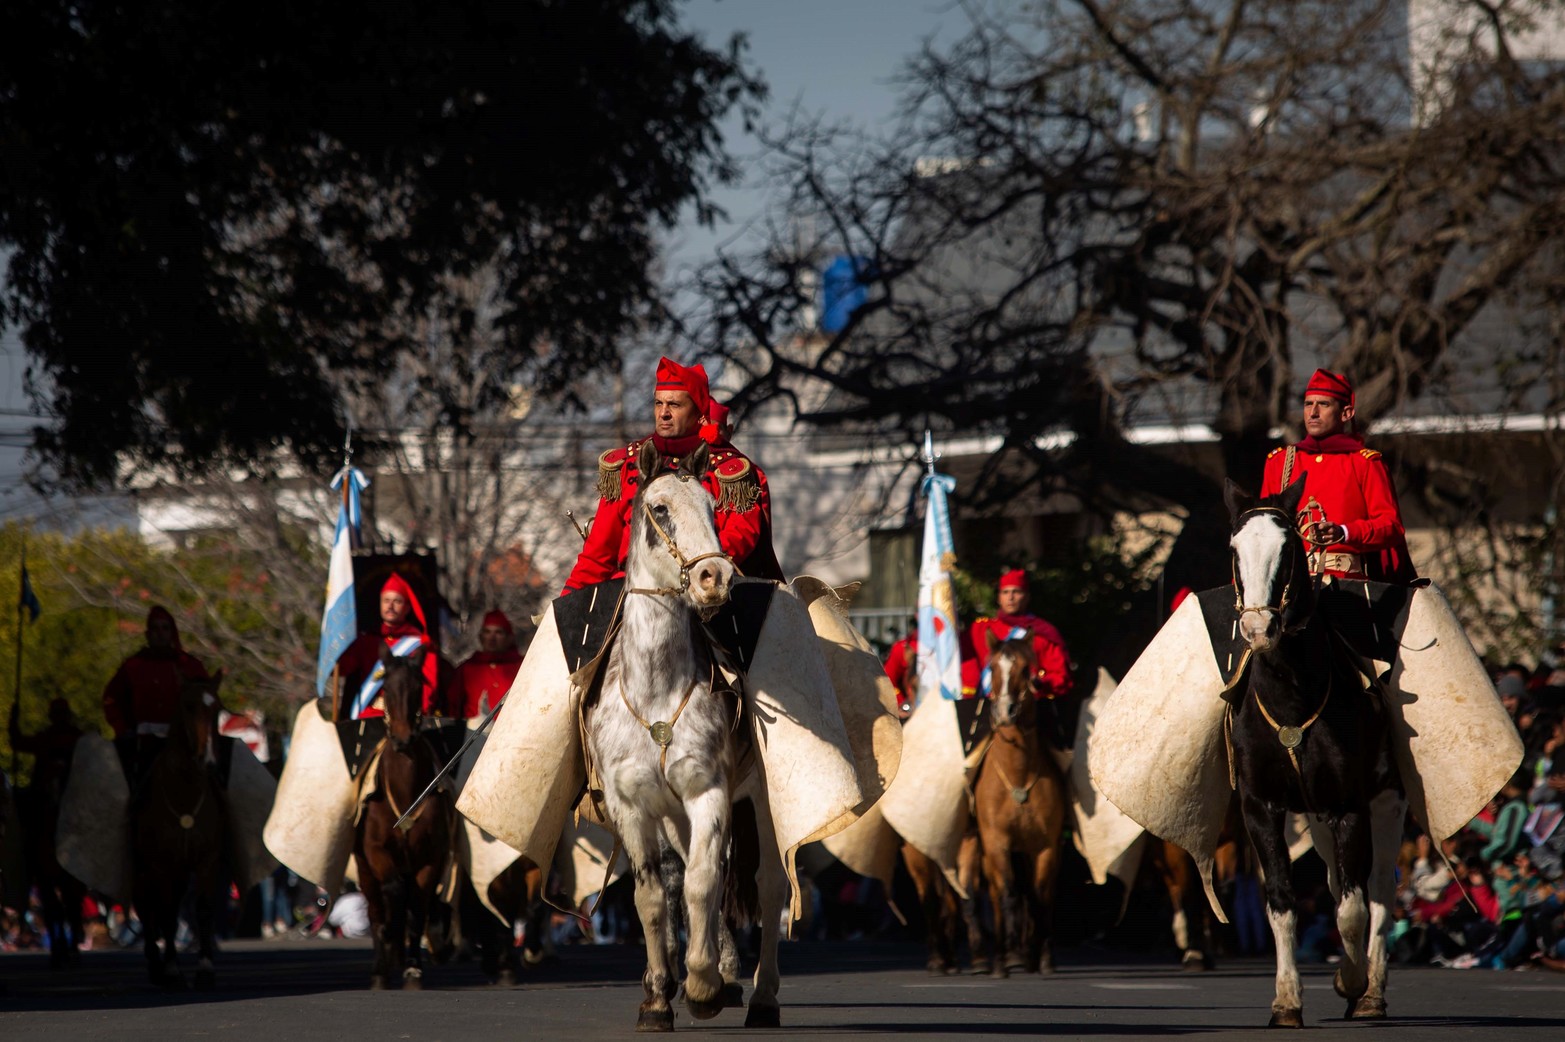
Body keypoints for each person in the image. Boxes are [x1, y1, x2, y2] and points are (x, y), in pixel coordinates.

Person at [561, 356, 783, 594]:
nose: (663, 413)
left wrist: (697, 564)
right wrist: (567, 600)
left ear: (699, 413)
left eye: (674, 405)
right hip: (629, 592)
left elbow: (741, 536)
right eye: (659, 403)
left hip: (707, 586)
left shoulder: (729, 472)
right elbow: (598, 554)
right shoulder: (625, 465)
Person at [1259, 369, 1416, 584]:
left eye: (1323, 404)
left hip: (1348, 585)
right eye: (1308, 404)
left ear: (1346, 413)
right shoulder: (1279, 462)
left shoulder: (1365, 463)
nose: (1313, 412)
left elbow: (1391, 526)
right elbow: (1260, 528)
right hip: (1289, 584)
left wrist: (1345, 532)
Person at [101, 606, 210, 780]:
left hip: (184, 741)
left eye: (165, 628)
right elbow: (111, 699)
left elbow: (207, 699)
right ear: (148, 634)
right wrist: (122, 729)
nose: (160, 634)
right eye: (155, 628)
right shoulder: (133, 667)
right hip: (141, 743)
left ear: (172, 633)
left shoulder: (190, 666)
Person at [333, 574, 440, 719]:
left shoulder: (420, 644)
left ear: (407, 608)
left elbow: (429, 687)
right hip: (369, 715)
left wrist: (418, 713)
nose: (390, 606)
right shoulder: (366, 640)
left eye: (397, 601)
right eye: (386, 601)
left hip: (405, 717)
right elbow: (343, 669)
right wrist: (337, 645)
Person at [969, 569, 1074, 701]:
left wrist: (1040, 683)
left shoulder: (1042, 633)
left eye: (1016, 592)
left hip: (1029, 705)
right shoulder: (980, 629)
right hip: (984, 703)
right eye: (1005, 592)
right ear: (999, 598)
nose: (1010, 597)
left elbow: (1061, 676)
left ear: (1027, 597)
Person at [445, 609, 523, 719]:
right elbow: (452, 705)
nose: (492, 638)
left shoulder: (523, 667)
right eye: (487, 632)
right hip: (474, 728)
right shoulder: (467, 669)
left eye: (498, 632)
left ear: (509, 637)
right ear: (481, 637)